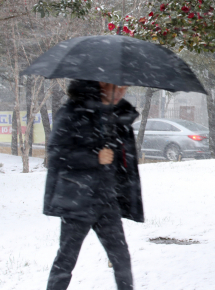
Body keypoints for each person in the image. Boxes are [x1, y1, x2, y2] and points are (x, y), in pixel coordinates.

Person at [44, 80, 143, 290]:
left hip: (107, 200)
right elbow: (56, 154)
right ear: (102, 84)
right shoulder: (72, 111)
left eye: (126, 87)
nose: (121, 92)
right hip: (77, 200)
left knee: (121, 258)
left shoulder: (117, 115)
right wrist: (93, 157)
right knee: (66, 260)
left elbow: (121, 159)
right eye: (117, 86)